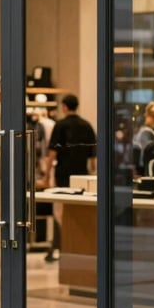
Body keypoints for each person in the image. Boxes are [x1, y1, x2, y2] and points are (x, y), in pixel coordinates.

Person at [43, 94, 96, 262]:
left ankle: (61, 246)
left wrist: (46, 175)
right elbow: (93, 154)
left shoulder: (60, 126)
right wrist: (92, 170)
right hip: (82, 174)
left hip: (64, 173)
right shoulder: (87, 125)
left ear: (65, 107)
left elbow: (52, 152)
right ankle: (74, 245)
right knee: (80, 211)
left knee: (60, 212)